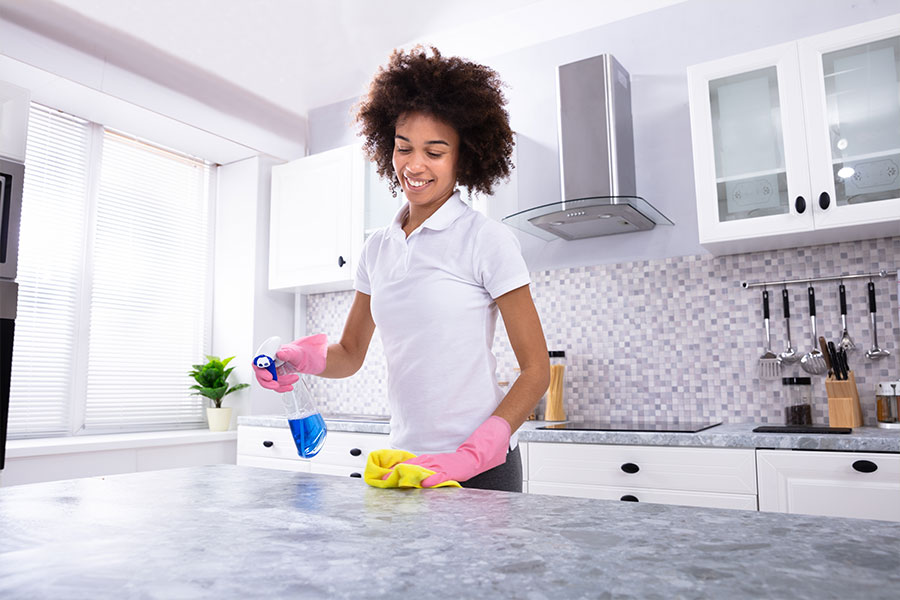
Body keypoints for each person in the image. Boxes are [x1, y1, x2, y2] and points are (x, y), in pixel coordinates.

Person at [253, 46, 550, 492]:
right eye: (403, 147)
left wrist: (481, 449)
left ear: (463, 158)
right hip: (406, 462)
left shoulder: (486, 239)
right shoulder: (377, 249)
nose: (414, 165)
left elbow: (536, 369)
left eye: (435, 151)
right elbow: (350, 353)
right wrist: (303, 358)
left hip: (481, 467)